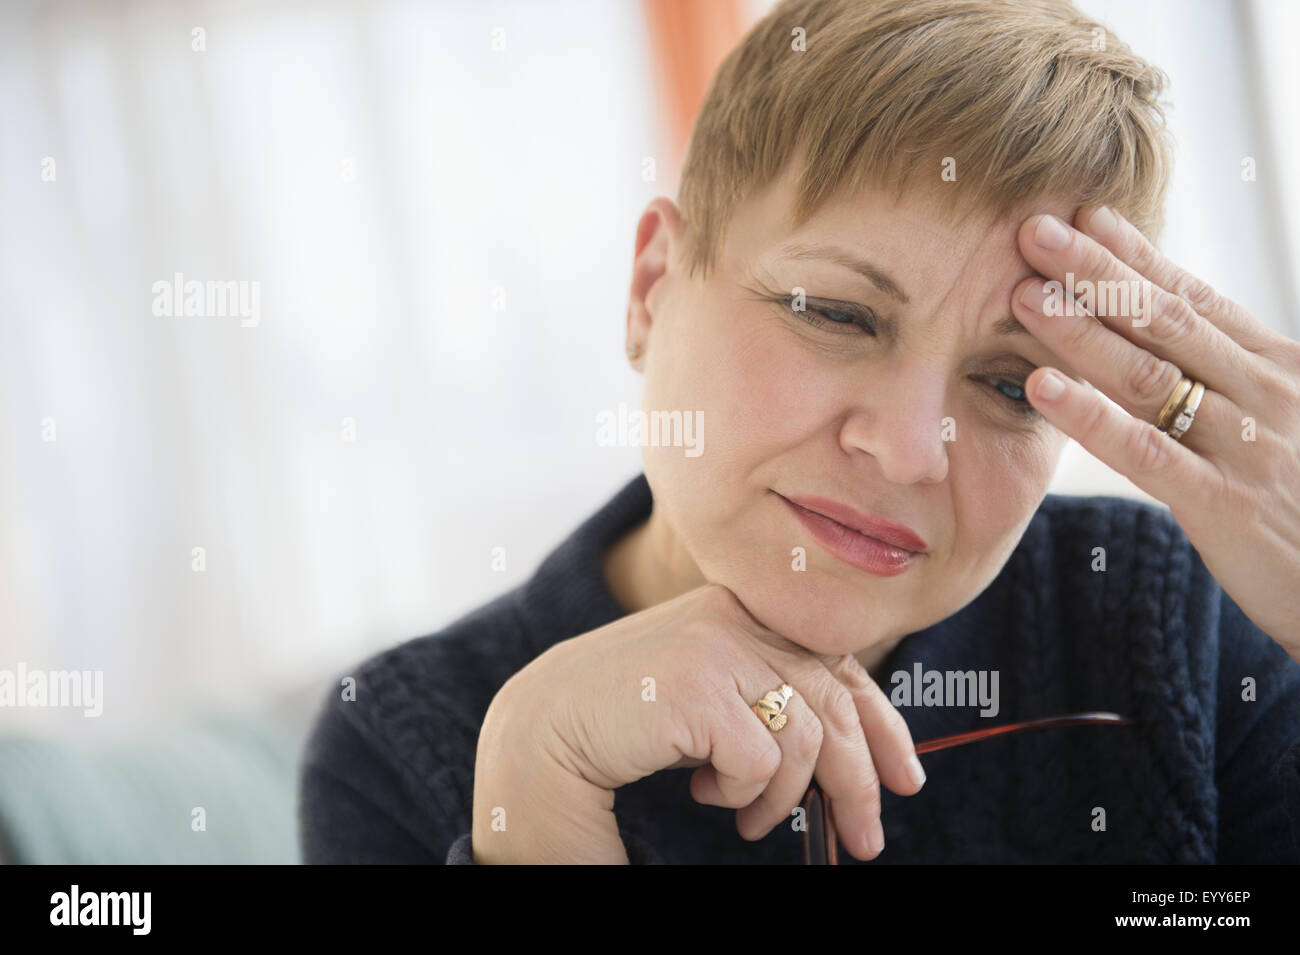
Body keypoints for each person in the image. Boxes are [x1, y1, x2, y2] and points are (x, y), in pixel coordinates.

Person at [297, 0, 1300, 864]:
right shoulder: (408, 744)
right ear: (652, 289)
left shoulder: (1190, 632)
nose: (909, 450)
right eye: (837, 314)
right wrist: (536, 788)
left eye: (1010, 384)